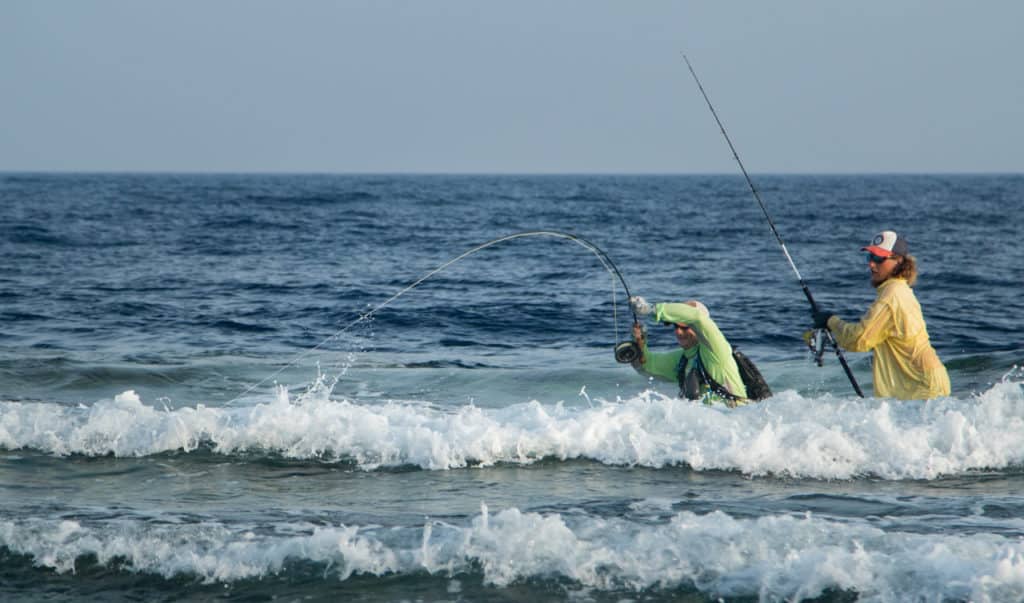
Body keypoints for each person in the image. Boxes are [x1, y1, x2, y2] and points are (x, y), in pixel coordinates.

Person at [811, 230, 950, 400]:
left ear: (898, 261)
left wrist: (830, 321)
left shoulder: (891, 296)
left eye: (879, 258)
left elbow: (859, 339)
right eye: (870, 257)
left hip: (921, 386)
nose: (871, 264)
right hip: (923, 382)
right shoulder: (899, 290)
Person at [628, 296, 749, 406]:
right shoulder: (684, 359)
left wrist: (650, 309)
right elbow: (647, 366)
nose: (678, 332)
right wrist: (639, 340)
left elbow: (696, 317)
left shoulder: (717, 350)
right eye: (676, 326)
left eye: (685, 327)